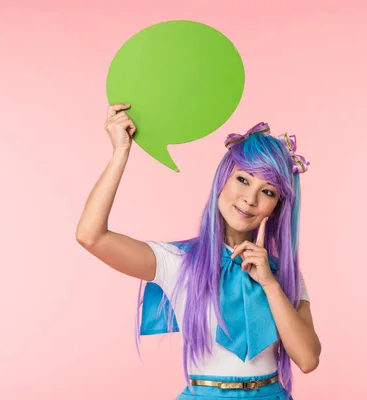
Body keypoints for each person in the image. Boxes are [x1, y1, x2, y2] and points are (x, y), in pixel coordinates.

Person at [76, 104, 321, 399]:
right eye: (243, 179)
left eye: (267, 191)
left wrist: (270, 284)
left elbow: (307, 360)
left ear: (278, 206)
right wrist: (120, 153)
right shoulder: (177, 261)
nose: (250, 198)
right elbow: (91, 236)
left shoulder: (284, 275)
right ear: (223, 180)